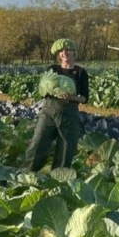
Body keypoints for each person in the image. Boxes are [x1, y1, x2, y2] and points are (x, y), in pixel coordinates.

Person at [26, 38, 89, 172]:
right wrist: (53, 91)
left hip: (69, 114)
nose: (64, 53)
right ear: (58, 54)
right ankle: (28, 172)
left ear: (73, 52)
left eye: (68, 50)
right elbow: (43, 90)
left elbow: (84, 98)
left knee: (66, 149)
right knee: (38, 143)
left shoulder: (80, 72)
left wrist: (72, 97)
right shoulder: (52, 69)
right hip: (49, 111)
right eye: (61, 51)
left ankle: (58, 180)